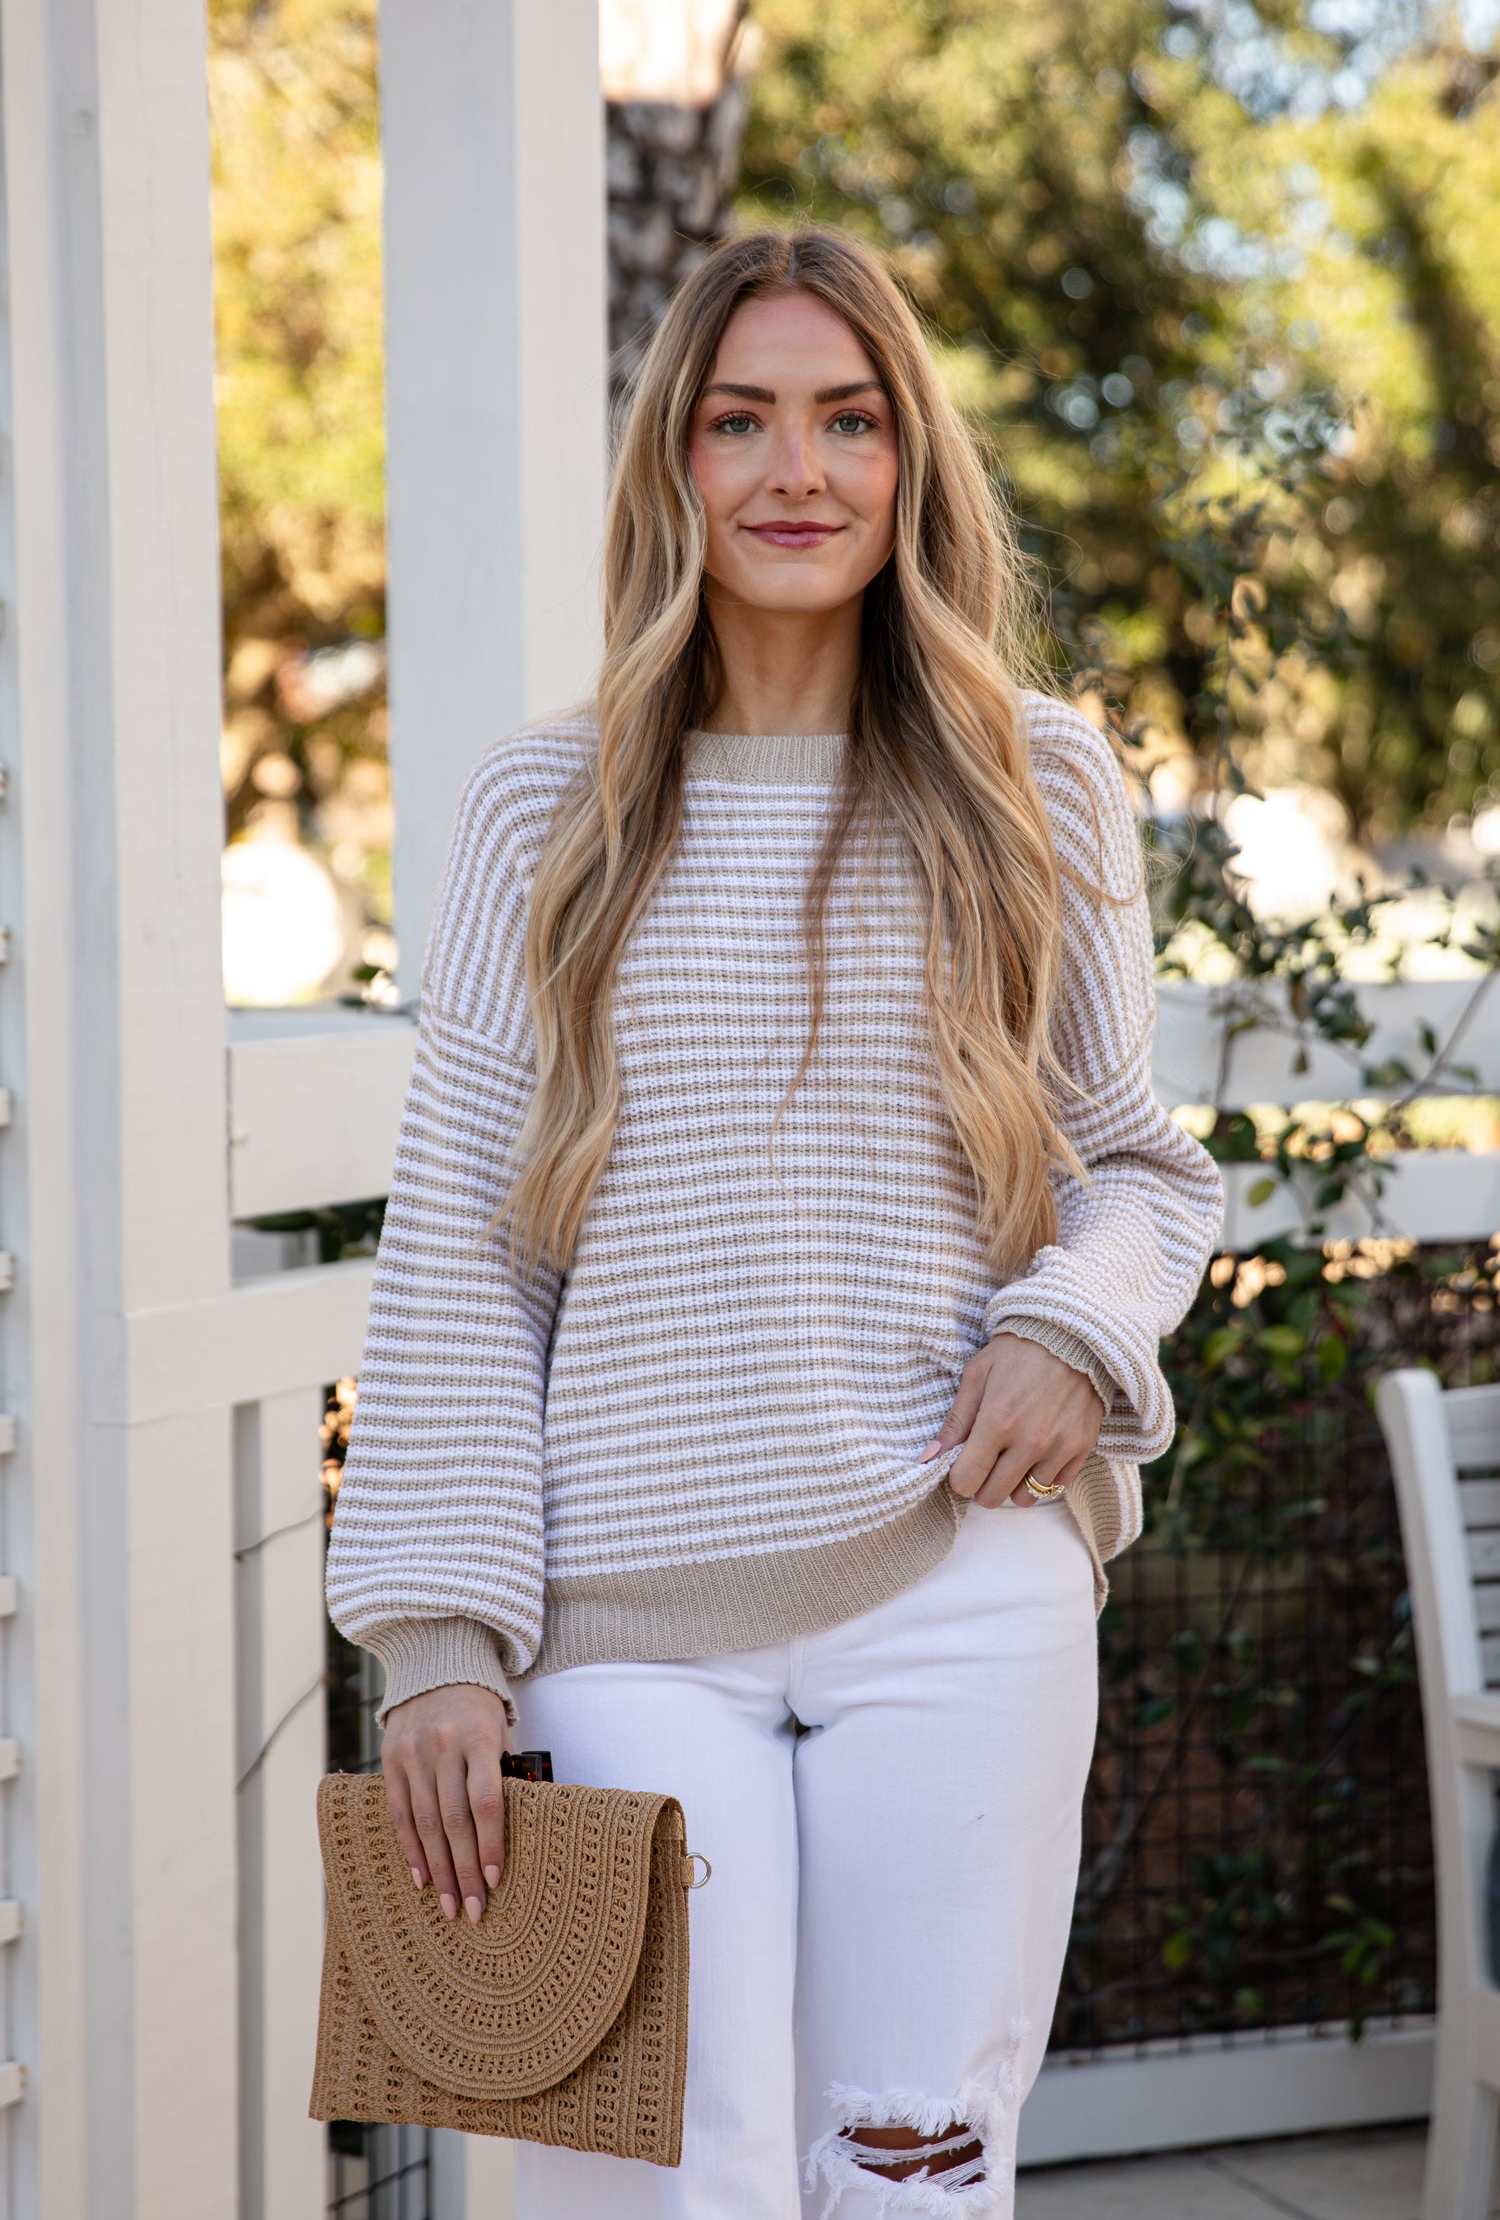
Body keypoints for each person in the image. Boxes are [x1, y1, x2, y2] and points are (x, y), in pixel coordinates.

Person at [326, 226, 1223, 2218]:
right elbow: (469, 1237)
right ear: (678, 463)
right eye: (742, 421)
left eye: (848, 420)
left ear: (913, 463)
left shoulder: (1037, 783)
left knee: (917, 2170)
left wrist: (1074, 1324)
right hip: (618, 1621)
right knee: (662, 2179)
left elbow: (1140, 1169)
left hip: (960, 1584)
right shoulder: (533, 813)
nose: (794, 470)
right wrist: (444, 1642)